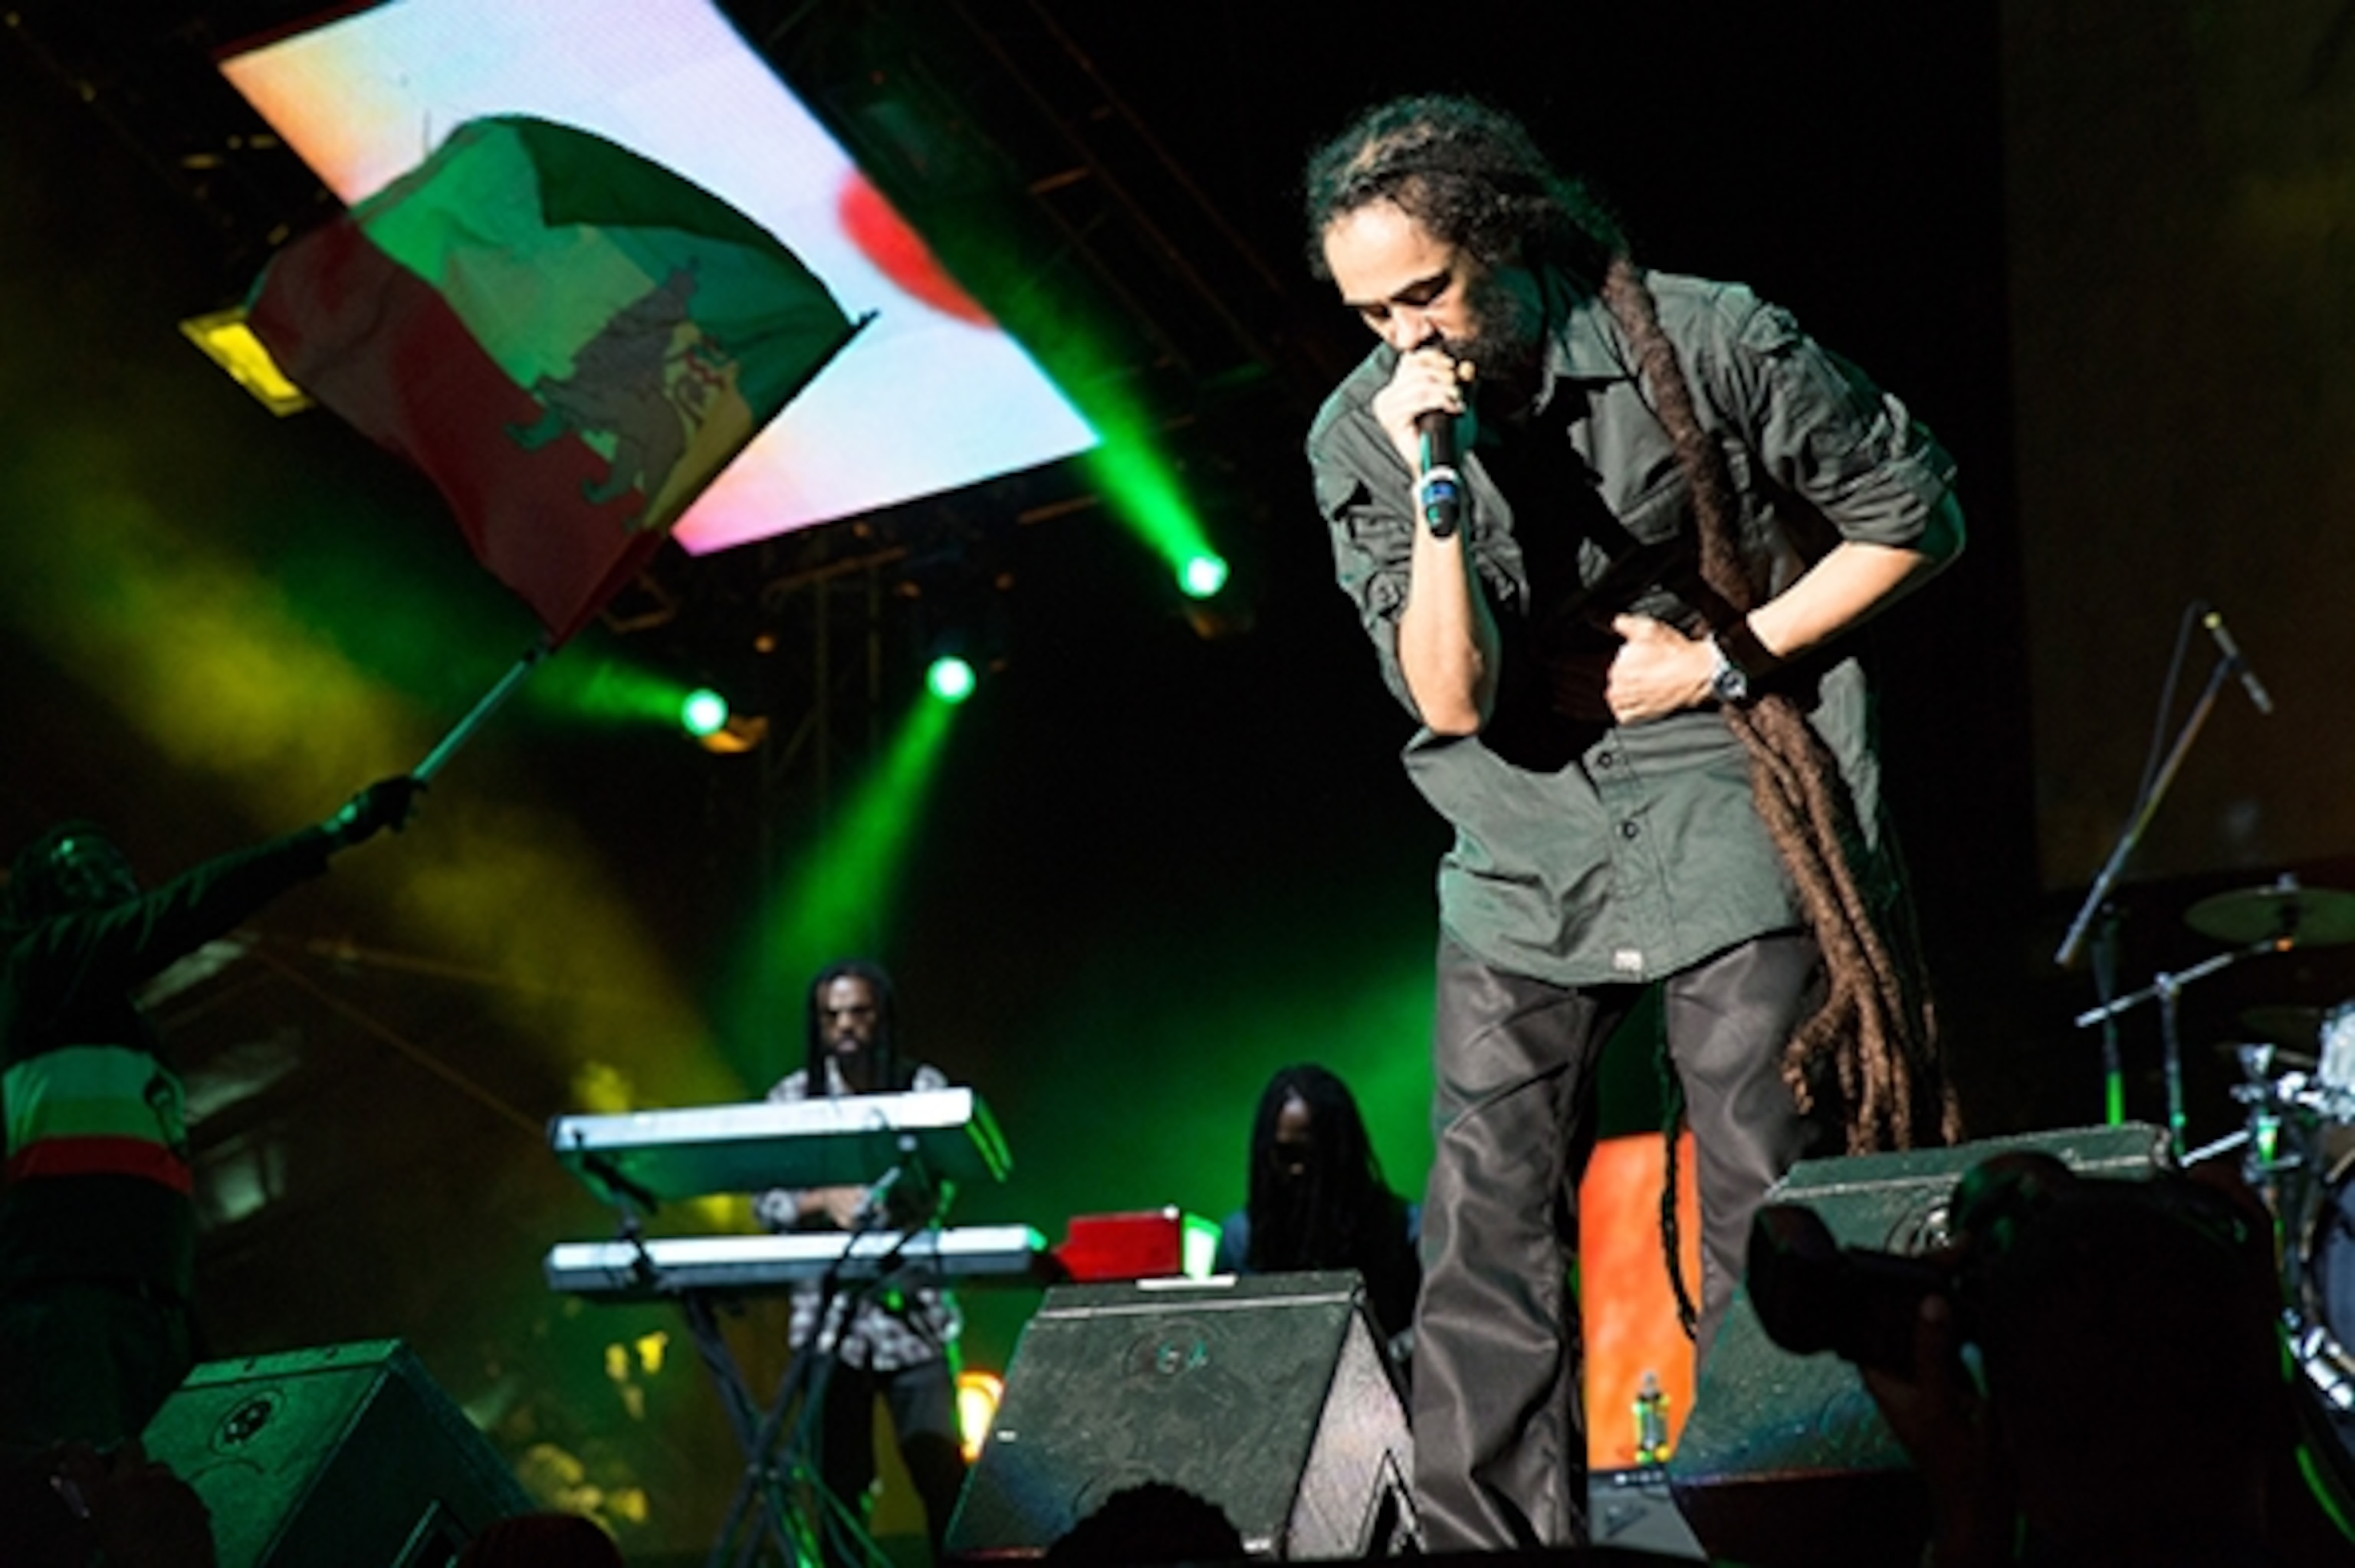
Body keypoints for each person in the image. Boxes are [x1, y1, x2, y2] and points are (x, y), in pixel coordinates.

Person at [1301, 93, 1965, 1550]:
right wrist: (1432, 487)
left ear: (1505, 242)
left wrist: (1726, 659)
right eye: (1371, 315)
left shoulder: (1708, 336)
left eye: (1426, 293)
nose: (1405, 335)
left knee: (1758, 1185)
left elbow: (1916, 515)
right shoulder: (1362, 434)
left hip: (1725, 777)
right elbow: (1452, 694)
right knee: (1480, 1229)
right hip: (1520, 834)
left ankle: (1793, 1526)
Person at [0, 779, 421, 1471]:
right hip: (71, 1304)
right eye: (82, 866)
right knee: (90, 1498)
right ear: (41, 893)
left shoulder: (132, 1030)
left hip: (152, 1306)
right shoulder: (35, 971)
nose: (110, 881)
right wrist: (328, 836)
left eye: (116, 866)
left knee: (166, 1497)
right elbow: (179, 913)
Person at [752, 959, 966, 1567]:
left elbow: (948, 1179)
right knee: (839, 1485)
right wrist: (823, 1200)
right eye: (832, 1016)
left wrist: (887, 1193)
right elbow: (764, 1201)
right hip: (826, 1322)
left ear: (881, 1017)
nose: (845, 1026)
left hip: (915, 1318)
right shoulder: (792, 1097)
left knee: (942, 1473)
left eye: (858, 1013)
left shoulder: (919, 1086)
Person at [1212, 1064, 1421, 1367]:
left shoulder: (1403, 1229)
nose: (1299, 1170)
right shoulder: (1240, 1239)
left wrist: (1382, 1361)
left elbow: (1441, 1325)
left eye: (1313, 1155)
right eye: (1286, 1154)